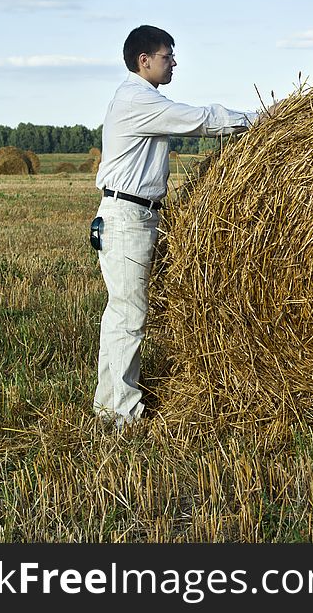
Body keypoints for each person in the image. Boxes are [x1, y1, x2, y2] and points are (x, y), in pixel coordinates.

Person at [93, 25, 258, 429]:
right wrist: (265, 117)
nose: (175, 63)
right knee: (129, 315)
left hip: (138, 214)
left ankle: (109, 405)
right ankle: (122, 414)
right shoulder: (137, 100)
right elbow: (201, 120)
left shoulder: (142, 99)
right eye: (168, 56)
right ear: (143, 60)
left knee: (123, 314)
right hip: (127, 218)